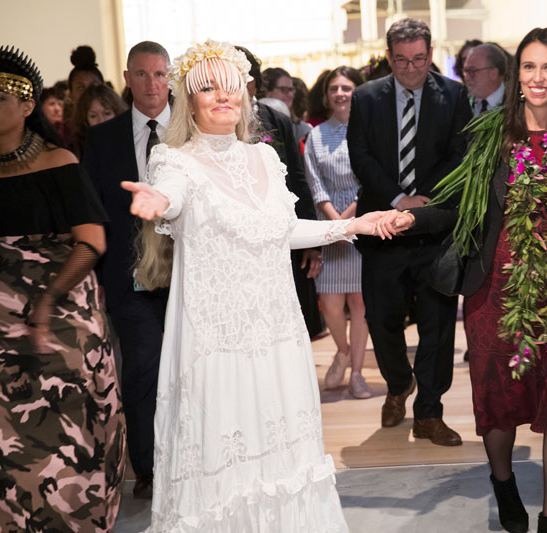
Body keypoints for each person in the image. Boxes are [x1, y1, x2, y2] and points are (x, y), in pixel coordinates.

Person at [122, 39, 384, 530]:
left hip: (278, 334)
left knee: (283, 455)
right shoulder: (172, 162)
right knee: (226, 458)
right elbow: (171, 199)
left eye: (232, 86)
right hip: (217, 343)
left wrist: (355, 225)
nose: (223, 96)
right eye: (208, 88)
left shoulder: (264, 159)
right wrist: (159, 202)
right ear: (188, 98)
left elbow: (283, 232)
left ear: (245, 95)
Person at [376, 27, 547, 533]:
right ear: (515, 75)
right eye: (528, 67)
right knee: (499, 403)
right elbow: (453, 202)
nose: (538, 78)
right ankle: (503, 481)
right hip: (496, 292)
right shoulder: (490, 138)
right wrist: (411, 219)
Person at [0, 45, 125, 531]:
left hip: (60, 309)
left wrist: (45, 300)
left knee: (68, 396)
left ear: (27, 105)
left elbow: (91, 243)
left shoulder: (59, 161)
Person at [347, 17, 472, 446]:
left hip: (434, 229)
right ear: (389, 58)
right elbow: (360, 155)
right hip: (381, 227)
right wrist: (398, 201)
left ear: (431, 54)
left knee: (437, 325)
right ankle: (399, 385)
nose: (411, 69)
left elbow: (460, 154)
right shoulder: (366, 97)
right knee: (382, 320)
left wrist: (422, 204)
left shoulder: (454, 95)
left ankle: (429, 414)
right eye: (401, 61)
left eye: (419, 59)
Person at [82, 40, 171, 499]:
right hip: (130, 277)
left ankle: (194, 462)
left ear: (171, 77)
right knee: (142, 368)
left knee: (194, 371)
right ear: (127, 77)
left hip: (193, 275)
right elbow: (94, 213)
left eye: (159, 74)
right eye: (141, 74)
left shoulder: (191, 134)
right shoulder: (102, 139)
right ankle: (150, 468)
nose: (151, 84)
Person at [237, 44, 326, 339]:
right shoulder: (210, 123)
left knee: (289, 317)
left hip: (281, 231)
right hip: (239, 238)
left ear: (255, 81)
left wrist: (312, 242)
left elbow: (298, 180)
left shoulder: (276, 120)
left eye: (244, 75)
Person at [304, 66, 371, 399]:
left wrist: (349, 221)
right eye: (334, 88)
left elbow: (371, 179)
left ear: (357, 91)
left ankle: (357, 372)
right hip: (328, 227)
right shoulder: (317, 135)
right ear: (326, 94)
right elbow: (314, 183)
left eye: (347, 87)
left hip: (362, 223)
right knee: (330, 303)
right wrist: (334, 225)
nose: (341, 93)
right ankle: (342, 350)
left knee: (360, 304)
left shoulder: (369, 129)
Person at [70, 83, 127, 157]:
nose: (101, 120)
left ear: (117, 114)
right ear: (84, 120)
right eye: (93, 116)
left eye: (107, 113)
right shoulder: (77, 151)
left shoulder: (132, 144)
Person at [463, 43, 507, 115]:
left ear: (493, 74)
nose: (466, 78)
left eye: (472, 71)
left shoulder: (515, 103)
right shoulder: (463, 103)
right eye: (465, 71)